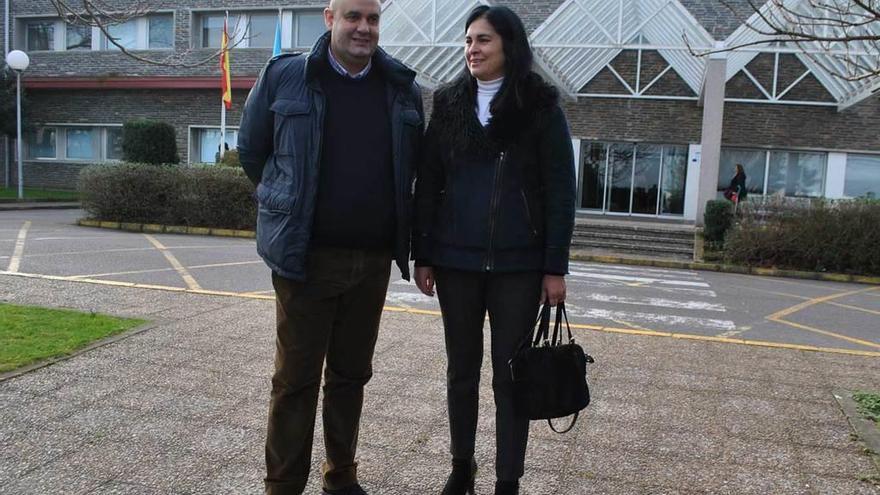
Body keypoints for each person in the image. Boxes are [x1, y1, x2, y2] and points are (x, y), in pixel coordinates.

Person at [237, 0, 424, 493]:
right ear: (329, 18)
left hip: (371, 262)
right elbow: (253, 151)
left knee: (350, 377)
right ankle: (283, 484)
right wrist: (288, 203)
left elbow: (414, 171)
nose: (363, 28)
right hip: (305, 258)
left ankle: (340, 476)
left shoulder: (402, 89)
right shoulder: (286, 76)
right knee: (295, 381)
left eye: (373, 18)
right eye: (353, 17)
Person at [412, 5, 576, 495]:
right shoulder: (448, 103)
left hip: (518, 268)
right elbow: (429, 184)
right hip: (455, 262)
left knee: (510, 378)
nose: (472, 50)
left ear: (509, 44)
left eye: (482, 40)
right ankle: (462, 467)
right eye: (467, 41)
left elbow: (560, 192)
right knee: (461, 371)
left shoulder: (540, 108)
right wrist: (424, 253)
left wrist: (554, 267)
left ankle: (508, 480)